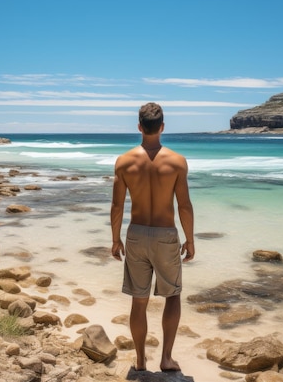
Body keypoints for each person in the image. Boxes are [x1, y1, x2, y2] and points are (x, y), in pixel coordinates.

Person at [111, 102, 195, 373]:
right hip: (166, 234)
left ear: (138, 127)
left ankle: (139, 360)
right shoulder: (177, 162)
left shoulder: (124, 162)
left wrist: (115, 239)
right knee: (172, 296)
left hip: (135, 233)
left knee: (139, 299)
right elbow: (184, 205)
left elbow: (117, 206)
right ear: (162, 127)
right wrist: (190, 239)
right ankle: (166, 359)